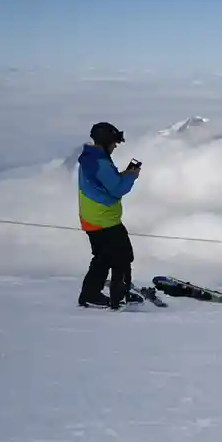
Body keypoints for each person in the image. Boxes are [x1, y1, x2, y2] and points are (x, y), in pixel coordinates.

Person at [77, 122, 142, 310]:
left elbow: (105, 183)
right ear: (106, 142)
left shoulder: (91, 159)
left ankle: (91, 294)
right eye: (114, 143)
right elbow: (117, 189)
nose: (115, 146)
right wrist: (131, 177)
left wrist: (123, 174)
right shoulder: (100, 162)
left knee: (103, 257)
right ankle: (118, 297)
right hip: (104, 219)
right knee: (122, 256)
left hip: (94, 218)